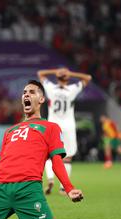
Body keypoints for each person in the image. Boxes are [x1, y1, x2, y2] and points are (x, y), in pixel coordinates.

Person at [0, 80, 84, 219]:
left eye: (32, 92)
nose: (26, 94)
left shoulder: (50, 127)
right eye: (24, 92)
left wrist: (69, 188)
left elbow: (57, 161)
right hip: (0, 189)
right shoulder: (10, 131)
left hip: (28, 188)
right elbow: (0, 169)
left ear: (42, 99)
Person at [37, 67, 92, 195]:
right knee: (67, 158)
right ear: (67, 78)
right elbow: (88, 78)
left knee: (50, 155)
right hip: (68, 127)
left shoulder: (51, 88)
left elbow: (40, 73)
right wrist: (71, 73)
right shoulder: (72, 89)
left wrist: (55, 71)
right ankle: (63, 187)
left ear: (57, 78)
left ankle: (50, 179)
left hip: (53, 126)